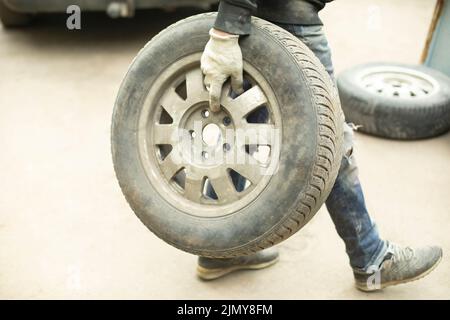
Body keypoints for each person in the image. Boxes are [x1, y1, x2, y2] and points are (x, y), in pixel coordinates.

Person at [197, 0, 442, 291]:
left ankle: (217, 249)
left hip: (268, 13)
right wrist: (228, 26)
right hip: (289, 15)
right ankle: (370, 255)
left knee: (245, 130)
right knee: (328, 135)